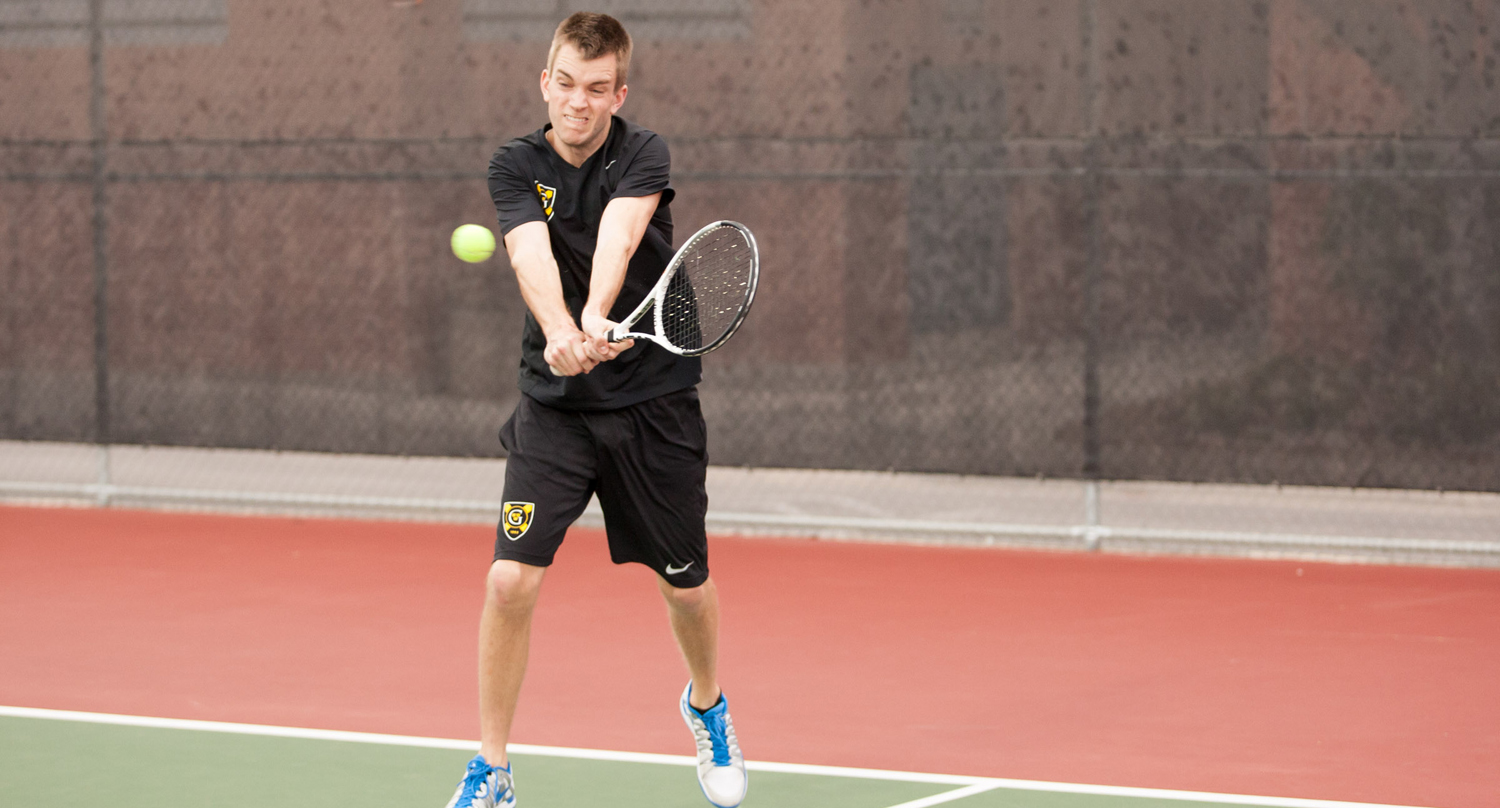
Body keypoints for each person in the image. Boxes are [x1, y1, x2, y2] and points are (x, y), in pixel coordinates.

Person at [444, 12, 746, 808]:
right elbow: (527, 252)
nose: (579, 103)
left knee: (685, 587)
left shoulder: (642, 153)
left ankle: (707, 706)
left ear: (619, 92)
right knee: (509, 582)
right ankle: (493, 770)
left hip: (654, 403)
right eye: (567, 85)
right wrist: (559, 333)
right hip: (556, 410)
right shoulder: (514, 164)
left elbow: (618, 236)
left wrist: (599, 313)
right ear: (546, 83)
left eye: (598, 89)